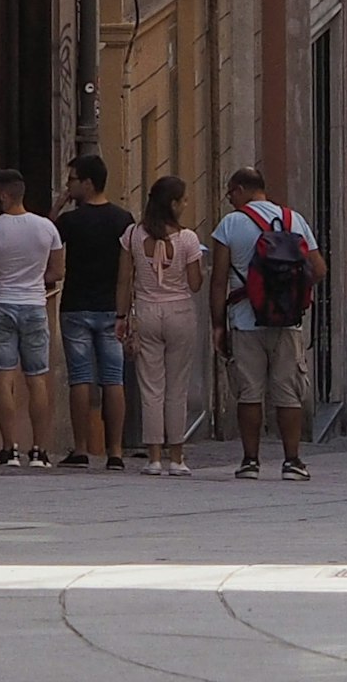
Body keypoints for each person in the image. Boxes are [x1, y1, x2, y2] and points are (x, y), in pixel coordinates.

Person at [209, 166, 321, 480]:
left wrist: (218, 325)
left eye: (231, 192)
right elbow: (319, 268)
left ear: (243, 189)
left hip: (245, 321)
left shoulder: (230, 224)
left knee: (249, 392)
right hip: (288, 321)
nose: (230, 199)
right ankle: (293, 461)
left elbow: (218, 281)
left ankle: (250, 461)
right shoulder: (293, 219)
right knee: (288, 392)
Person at [0, 168, 64, 469]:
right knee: (37, 379)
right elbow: (57, 272)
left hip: (1, 306)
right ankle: (39, 450)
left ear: (5, 195)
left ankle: (9, 449)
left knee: (4, 377)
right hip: (34, 306)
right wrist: (35, 280)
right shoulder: (47, 228)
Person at [121, 177, 210, 475]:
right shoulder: (187, 239)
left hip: (146, 311)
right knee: (177, 387)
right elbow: (196, 284)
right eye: (183, 200)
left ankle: (154, 458)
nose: (185, 204)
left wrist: (121, 316)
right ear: (172, 204)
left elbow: (124, 279)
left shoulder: (133, 234)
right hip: (180, 311)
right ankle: (178, 458)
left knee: (151, 387)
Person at [52, 154, 134, 469]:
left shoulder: (71, 221)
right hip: (111, 309)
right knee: (113, 379)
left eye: (72, 180)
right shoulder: (122, 219)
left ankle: (82, 449)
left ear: (87, 183)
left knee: (80, 378)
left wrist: (58, 206)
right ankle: (115, 452)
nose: (69, 186)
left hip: (76, 306)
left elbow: (44, 240)